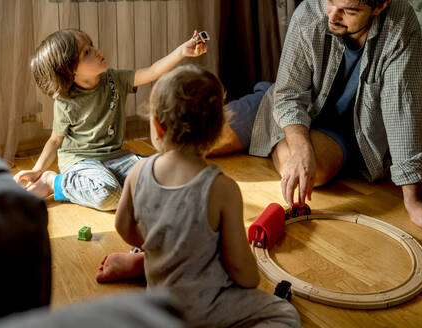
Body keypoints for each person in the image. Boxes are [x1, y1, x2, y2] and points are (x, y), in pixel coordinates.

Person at [214, 0, 422, 236]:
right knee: (199, 140)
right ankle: (268, 113)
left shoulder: (400, 22)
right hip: (288, 101)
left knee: (308, 172)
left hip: (344, 127)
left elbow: (402, 107)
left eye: (349, 11)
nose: (332, 16)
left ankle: (277, 138)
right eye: (330, 2)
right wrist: (300, 146)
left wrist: (414, 201)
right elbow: (289, 93)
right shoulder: (308, 13)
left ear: (380, 6)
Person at [99, 65, 301, 327]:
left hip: (159, 305)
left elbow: (123, 226)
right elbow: (241, 268)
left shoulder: (138, 172)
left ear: (158, 127)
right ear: (219, 132)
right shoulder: (222, 188)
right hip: (207, 308)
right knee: (284, 314)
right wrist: (253, 280)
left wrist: (156, 247)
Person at [13, 28, 206, 211]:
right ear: (70, 71)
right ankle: (54, 183)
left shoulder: (114, 79)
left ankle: (120, 181)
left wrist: (182, 51)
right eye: (86, 52)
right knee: (109, 195)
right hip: (82, 161)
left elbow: (153, 71)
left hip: (116, 156)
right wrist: (38, 171)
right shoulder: (66, 101)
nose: (96, 51)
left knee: (168, 174)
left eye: (91, 45)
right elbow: (55, 140)